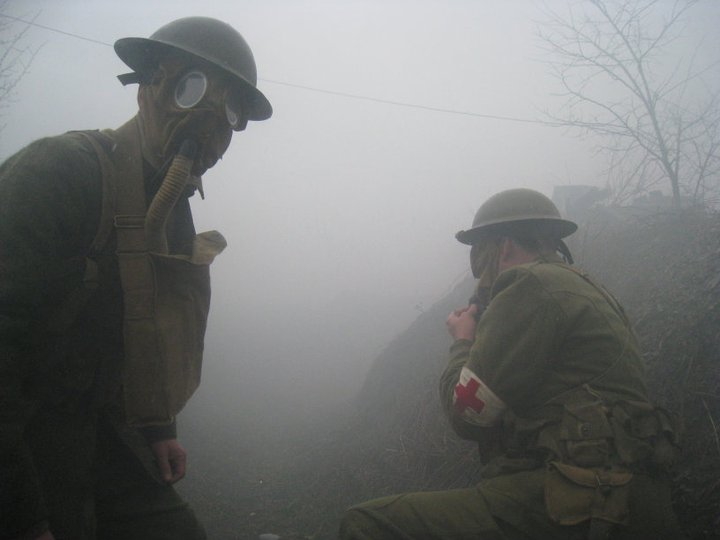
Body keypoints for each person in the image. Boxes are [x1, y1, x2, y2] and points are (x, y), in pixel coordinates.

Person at [0, 16, 271, 540]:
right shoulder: (59, 173)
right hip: (19, 428)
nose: (209, 124)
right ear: (150, 86)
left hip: (93, 423)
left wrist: (156, 429)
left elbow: (148, 329)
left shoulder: (172, 210)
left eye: (230, 111)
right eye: (191, 89)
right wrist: (21, 513)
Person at [339, 188, 683, 539]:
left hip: (576, 500)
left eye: (480, 252)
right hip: (623, 497)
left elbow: (468, 415)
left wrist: (462, 342)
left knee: (367, 523)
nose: (478, 268)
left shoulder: (529, 284)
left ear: (503, 247)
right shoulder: (583, 287)